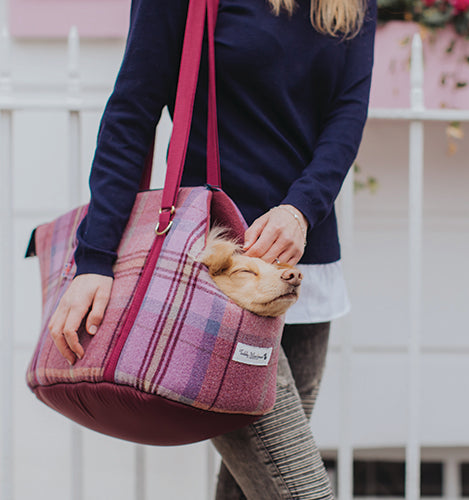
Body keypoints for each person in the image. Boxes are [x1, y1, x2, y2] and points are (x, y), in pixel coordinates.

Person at [48, 0, 376, 497]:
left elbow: (347, 115)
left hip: (303, 268)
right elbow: (132, 112)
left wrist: (300, 210)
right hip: (216, 277)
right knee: (301, 490)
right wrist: (94, 260)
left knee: (249, 489)